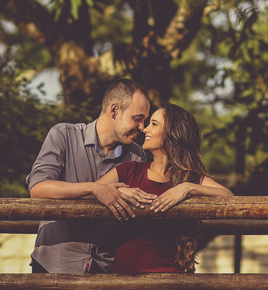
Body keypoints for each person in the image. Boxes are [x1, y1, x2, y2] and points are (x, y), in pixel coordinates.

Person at [26, 79, 156, 273]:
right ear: (114, 110)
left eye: (144, 120)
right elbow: (38, 189)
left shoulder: (137, 155)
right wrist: (95, 189)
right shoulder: (63, 135)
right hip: (54, 266)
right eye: (137, 118)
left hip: (106, 269)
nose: (142, 127)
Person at [96, 104, 233, 274]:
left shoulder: (189, 178)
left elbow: (228, 197)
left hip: (172, 274)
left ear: (173, 133)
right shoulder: (129, 171)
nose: (145, 129)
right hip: (126, 272)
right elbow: (92, 190)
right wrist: (116, 190)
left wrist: (188, 188)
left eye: (154, 124)